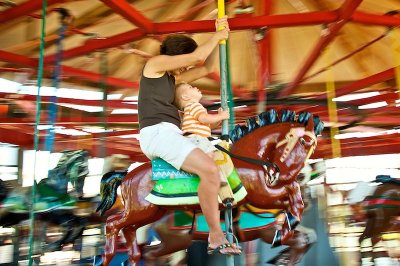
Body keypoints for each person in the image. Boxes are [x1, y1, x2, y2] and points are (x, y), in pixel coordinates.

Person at [138, 16, 241, 255]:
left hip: (171, 133)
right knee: (209, 170)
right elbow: (197, 58)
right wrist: (215, 36)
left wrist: (220, 39)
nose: (185, 70)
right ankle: (215, 235)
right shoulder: (154, 65)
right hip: (157, 133)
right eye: (182, 64)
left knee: (218, 158)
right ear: (175, 56)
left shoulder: (173, 79)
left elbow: (206, 67)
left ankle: (216, 211)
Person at [175, 82, 230, 183]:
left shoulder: (191, 108)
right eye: (191, 87)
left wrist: (218, 119)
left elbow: (208, 124)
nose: (195, 87)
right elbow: (204, 119)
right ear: (185, 96)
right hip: (196, 138)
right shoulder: (195, 106)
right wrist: (221, 116)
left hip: (194, 139)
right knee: (210, 155)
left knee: (209, 155)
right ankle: (212, 176)